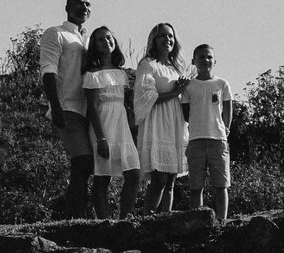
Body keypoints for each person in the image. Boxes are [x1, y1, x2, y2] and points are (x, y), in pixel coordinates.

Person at [37, 0, 91, 217]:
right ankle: (73, 216)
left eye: (87, 4)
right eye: (79, 3)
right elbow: (48, 71)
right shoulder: (56, 33)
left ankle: (78, 215)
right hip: (67, 107)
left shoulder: (87, 39)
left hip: (88, 110)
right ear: (67, 7)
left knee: (88, 165)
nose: (84, 7)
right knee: (83, 161)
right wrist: (55, 106)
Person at [81, 26, 141, 217]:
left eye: (109, 38)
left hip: (121, 125)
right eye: (101, 39)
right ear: (95, 45)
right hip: (103, 124)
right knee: (102, 176)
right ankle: (103, 221)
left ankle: (125, 218)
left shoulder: (121, 73)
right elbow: (92, 106)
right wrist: (101, 138)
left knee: (133, 172)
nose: (106, 42)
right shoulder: (92, 73)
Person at [131, 23, 187, 212]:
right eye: (162, 35)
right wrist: (175, 92)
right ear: (154, 40)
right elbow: (145, 96)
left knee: (170, 179)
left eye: (170, 36)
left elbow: (182, 96)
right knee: (159, 178)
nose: (167, 39)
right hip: (157, 122)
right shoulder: (147, 64)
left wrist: (183, 89)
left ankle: (165, 221)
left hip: (174, 121)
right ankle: (148, 220)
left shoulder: (176, 68)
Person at [179, 42, 234, 224]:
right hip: (195, 139)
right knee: (196, 185)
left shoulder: (222, 84)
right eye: (201, 57)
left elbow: (228, 107)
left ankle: (222, 220)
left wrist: (226, 127)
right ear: (193, 61)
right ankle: (198, 222)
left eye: (209, 57)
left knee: (221, 184)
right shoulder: (189, 86)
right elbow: (186, 111)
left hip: (218, 139)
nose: (205, 60)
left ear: (215, 61)